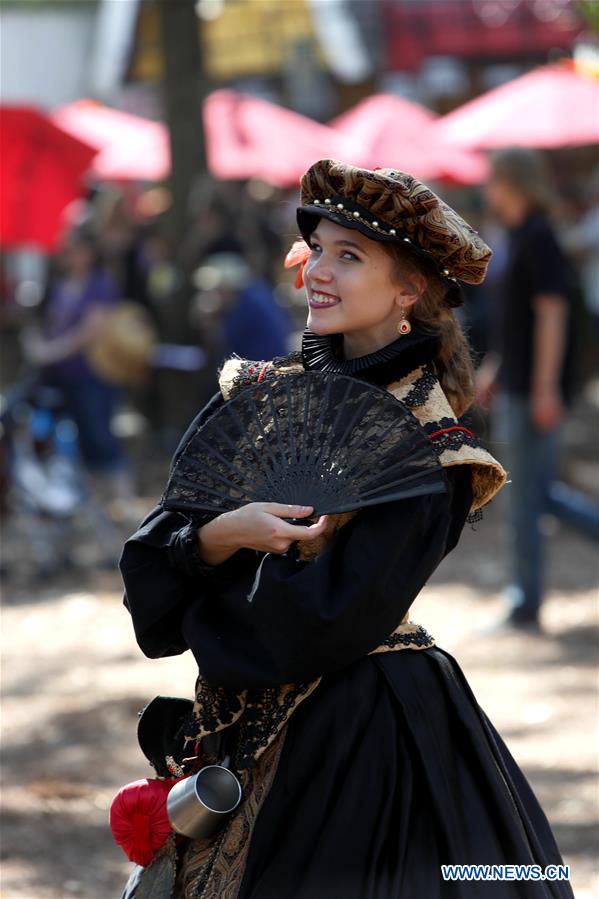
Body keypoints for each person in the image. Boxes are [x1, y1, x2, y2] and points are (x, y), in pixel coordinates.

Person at [119, 160, 574, 898]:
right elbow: (149, 576)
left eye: (349, 256)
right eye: (317, 250)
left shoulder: (433, 449)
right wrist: (219, 538)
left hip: (363, 738)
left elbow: (318, 622)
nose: (318, 272)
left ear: (408, 290)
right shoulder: (256, 395)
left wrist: (205, 585)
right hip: (233, 729)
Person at [479, 148, 576, 631]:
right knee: (535, 495)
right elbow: (517, 321)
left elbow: (552, 316)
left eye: (493, 180)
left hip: (531, 390)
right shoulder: (517, 235)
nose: (488, 189)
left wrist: (544, 388)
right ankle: (524, 599)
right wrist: (496, 368)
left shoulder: (538, 237)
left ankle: (524, 603)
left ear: (513, 182)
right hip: (517, 383)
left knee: (527, 499)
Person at [24, 225, 132, 502]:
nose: (69, 254)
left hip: (94, 376)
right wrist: (38, 342)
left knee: (100, 436)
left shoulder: (101, 286)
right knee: (77, 439)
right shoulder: (60, 286)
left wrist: (49, 351)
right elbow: (52, 325)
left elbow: (88, 332)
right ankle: (94, 502)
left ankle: (123, 499)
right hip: (63, 377)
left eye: (75, 249)